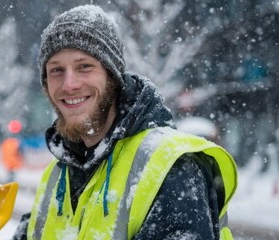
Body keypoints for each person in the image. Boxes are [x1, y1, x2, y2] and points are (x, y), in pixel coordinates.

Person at [13, 4, 238, 240]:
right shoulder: (58, 174)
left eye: (84, 66)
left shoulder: (171, 167)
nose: (69, 84)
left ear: (113, 75)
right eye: (56, 70)